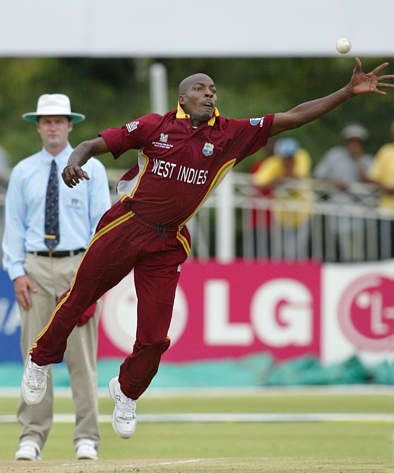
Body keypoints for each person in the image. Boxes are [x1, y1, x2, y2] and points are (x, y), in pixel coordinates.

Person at [20, 59, 394, 440]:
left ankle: (127, 391)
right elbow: (93, 143)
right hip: (126, 225)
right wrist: (74, 159)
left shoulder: (229, 134)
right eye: (200, 88)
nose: (209, 93)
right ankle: (39, 360)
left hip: (168, 242)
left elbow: (293, 117)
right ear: (183, 98)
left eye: (213, 89)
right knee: (80, 296)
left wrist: (346, 93)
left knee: (154, 337)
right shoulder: (156, 126)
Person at [2, 94, 111, 460]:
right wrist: (16, 273)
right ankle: (31, 435)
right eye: (46, 121)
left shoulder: (91, 169)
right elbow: (13, 228)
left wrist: (90, 277)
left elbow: (102, 225)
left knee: (81, 357)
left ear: (69, 125)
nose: (52, 127)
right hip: (35, 266)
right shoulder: (23, 171)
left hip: (76, 265)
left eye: (59, 121)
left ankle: (87, 436)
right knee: (35, 356)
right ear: (38, 126)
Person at [313, 122, 374, 261]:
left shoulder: (368, 160)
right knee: (337, 253)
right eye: (351, 141)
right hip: (337, 213)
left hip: (362, 217)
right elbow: (318, 177)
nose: (354, 145)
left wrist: (359, 161)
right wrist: (336, 183)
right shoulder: (334, 156)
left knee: (359, 254)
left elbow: (369, 184)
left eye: (357, 142)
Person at [252, 137, 312, 259]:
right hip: (281, 215)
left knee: (299, 252)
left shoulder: (302, 157)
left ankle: (296, 275)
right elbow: (257, 183)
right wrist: (277, 180)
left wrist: (277, 179)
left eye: (290, 157)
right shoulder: (273, 163)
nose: (288, 160)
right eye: (285, 157)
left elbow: (296, 177)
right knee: (280, 253)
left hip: (303, 214)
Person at [368, 120, 394, 258]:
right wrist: (387, 187)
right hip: (387, 210)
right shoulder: (386, 151)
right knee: (387, 252)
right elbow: (373, 177)